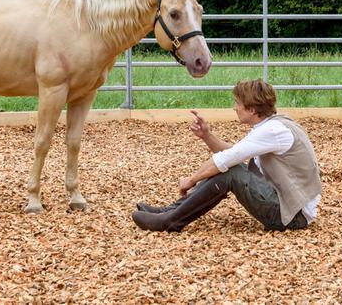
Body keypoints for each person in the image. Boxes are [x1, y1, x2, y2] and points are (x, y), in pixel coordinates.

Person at [132, 79, 322, 232]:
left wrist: (190, 180)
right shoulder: (273, 125)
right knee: (231, 167)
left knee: (230, 172)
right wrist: (206, 136)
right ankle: (169, 211)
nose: (234, 107)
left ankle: (170, 221)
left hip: (292, 216)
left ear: (252, 109)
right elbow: (234, 154)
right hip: (291, 208)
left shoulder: (271, 131)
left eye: (238, 103)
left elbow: (226, 160)